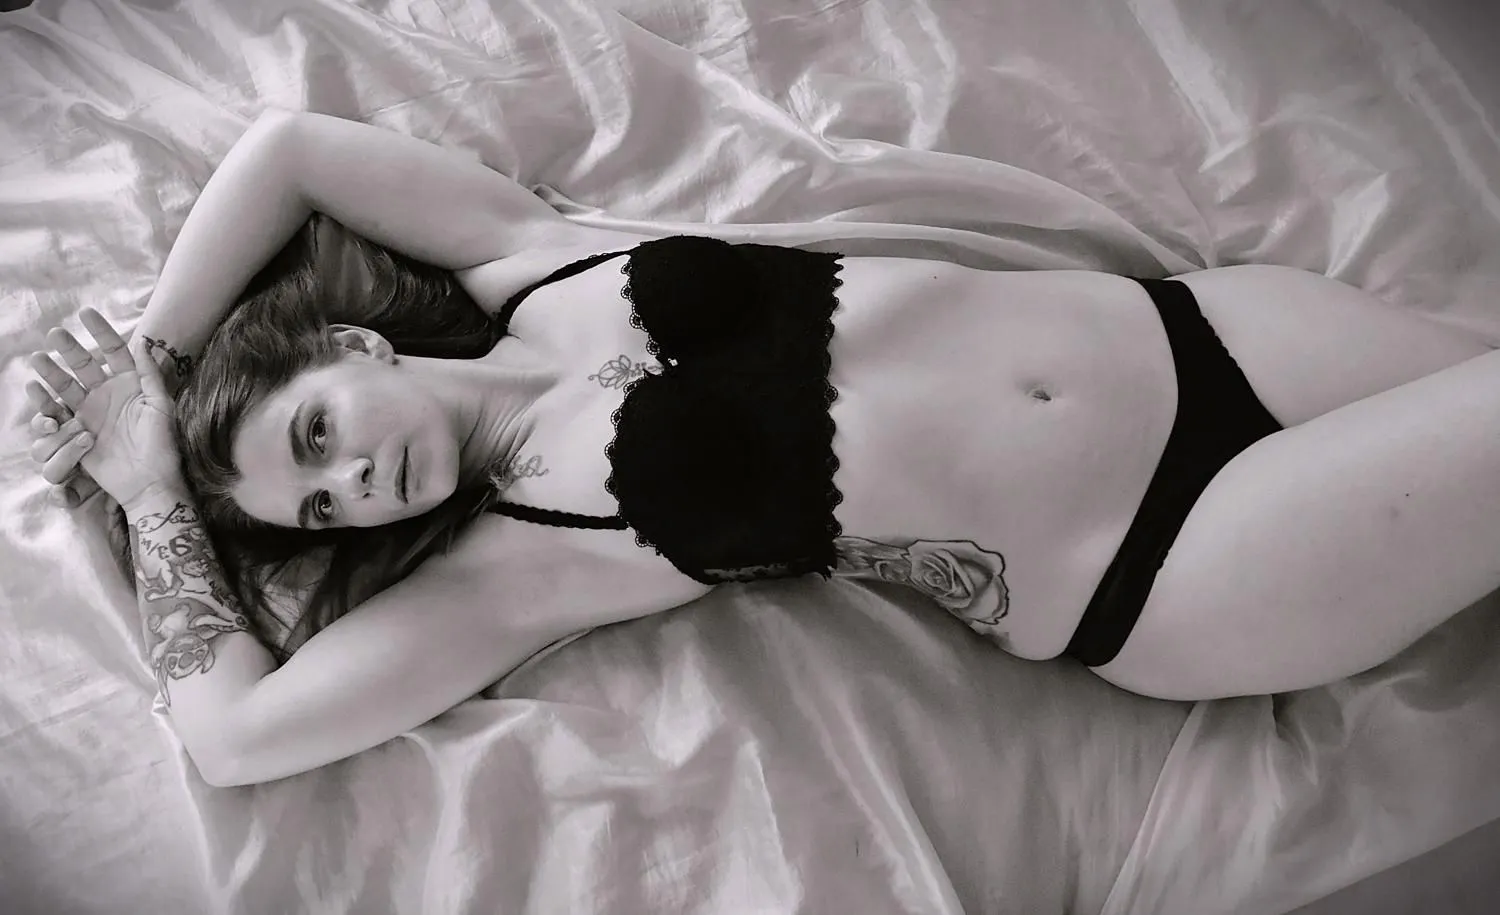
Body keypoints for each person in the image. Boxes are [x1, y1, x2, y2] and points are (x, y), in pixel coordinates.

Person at [25, 109, 1500, 787]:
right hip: (1172, 559)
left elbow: (286, 149)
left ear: (353, 348)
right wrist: (154, 491)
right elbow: (232, 738)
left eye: (315, 436)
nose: (351, 485)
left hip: (1204, 332)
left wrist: (155, 361)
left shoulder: (531, 256)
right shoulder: (518, 564)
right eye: (321, 509)